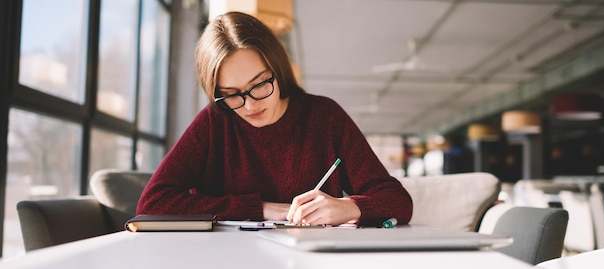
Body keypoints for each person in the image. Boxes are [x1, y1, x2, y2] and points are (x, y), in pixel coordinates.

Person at [136, 11, 413, 227]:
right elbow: (152, 204)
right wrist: (261, 208)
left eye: (259, 84)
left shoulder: (324, 117)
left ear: (277, 69)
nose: (249, 104)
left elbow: (398, 201)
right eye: (231, 94)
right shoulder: (215, 122)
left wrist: (350, 207)